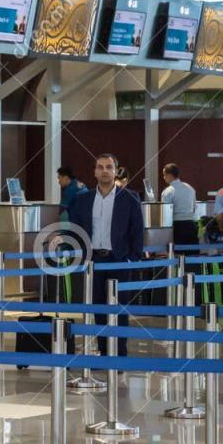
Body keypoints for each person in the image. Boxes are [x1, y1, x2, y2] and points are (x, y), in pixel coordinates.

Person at [69, 153, 144, 359]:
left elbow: (137, 231)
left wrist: (132, 258)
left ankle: (119, 353)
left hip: (119, 260)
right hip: (94, 261)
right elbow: (75, 228)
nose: (104, 171)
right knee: (98, 308)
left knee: (119, 308)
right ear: (94, 171)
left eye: (108, 167)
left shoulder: (130, 198)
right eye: (100, 167)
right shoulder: (83, 199)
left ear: (115, 171)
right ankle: (104, 351)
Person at [160, 164, 198, 248]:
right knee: (192, 254)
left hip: (177, 226)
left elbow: (166, 214)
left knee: (178, 255)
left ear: (169, 175)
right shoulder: (190, 188)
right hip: (191, 225)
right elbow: (194, 207)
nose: (164, 177)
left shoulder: (168, 192)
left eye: (164, 175)